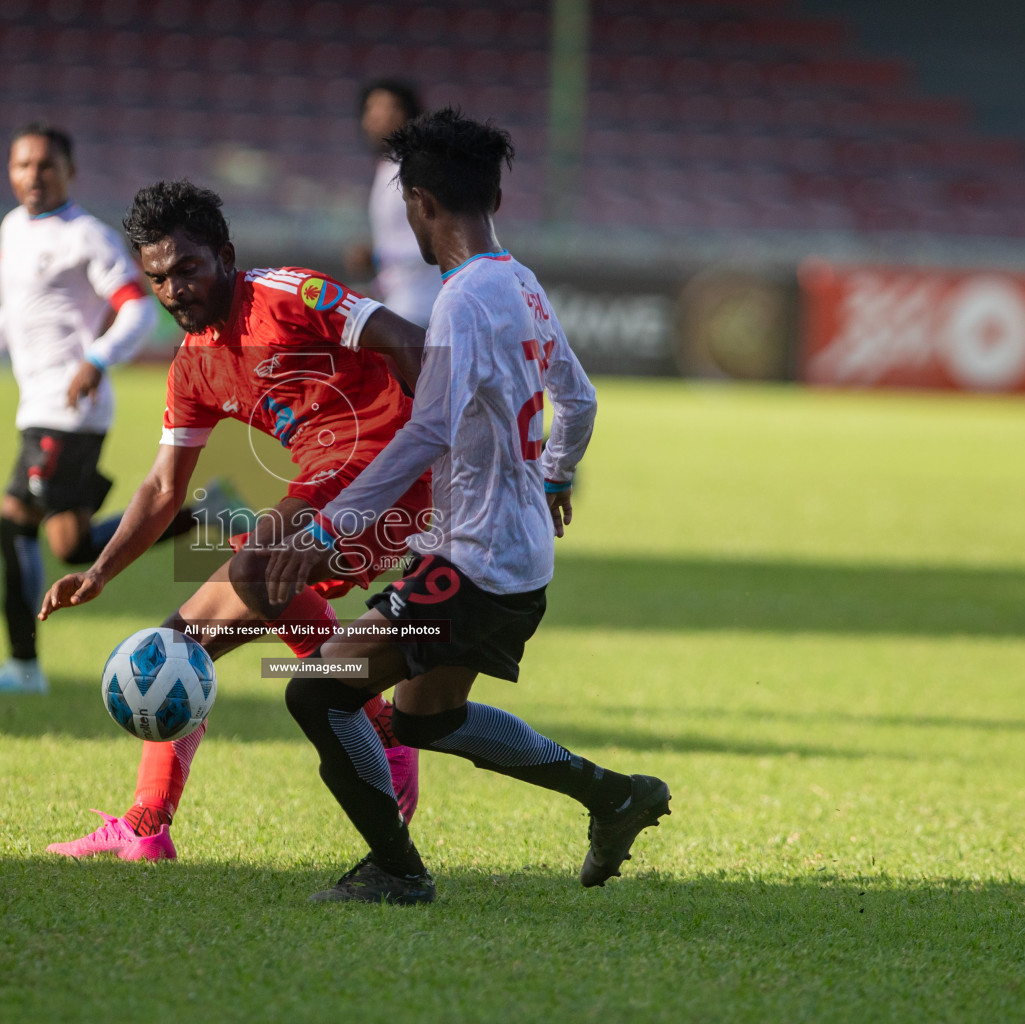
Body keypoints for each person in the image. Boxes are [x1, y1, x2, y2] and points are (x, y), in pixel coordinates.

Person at [253, 110, 672, 904]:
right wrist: (553, 477)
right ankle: (615, 796)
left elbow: (427, 432)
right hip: (514, 562)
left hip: (471, 565)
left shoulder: (462, 300)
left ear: (418, 203)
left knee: (316, 689)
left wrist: (328, 527)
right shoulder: (519, 282)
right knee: (424, 719)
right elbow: (577, 401)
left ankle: (398, 872)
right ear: (495, 195)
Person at [37, 179, 432, 862]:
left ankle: (379, 721)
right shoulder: (193, 366)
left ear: (224, 254)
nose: (173, 290)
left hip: (392, 474)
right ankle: (145, 827)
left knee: (254, 565)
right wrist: (99, 572)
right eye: (157, 277)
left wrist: (461, 453)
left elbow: (409, 341)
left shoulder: (288, 295)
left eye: (187, 269)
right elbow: (164, 487)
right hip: (322, 489)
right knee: (171, 651)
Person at [0, 123, 190, 694]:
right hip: (39, 406)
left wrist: (97, 357)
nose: (32, 176)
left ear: (70, 172)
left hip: (69, 408)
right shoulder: (14, 227)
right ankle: (204, 511)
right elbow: (18, 315)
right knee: (71, 543)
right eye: (21, 165)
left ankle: (22, 667)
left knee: (13, 524)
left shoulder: (86, 237)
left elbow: (137, 309)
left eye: (44, 165)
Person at [346, 79, 442, 327]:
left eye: (390, 108)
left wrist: (376, 257)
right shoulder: (387, 167)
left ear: (410, 115)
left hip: (422, 308)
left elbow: (441, 241)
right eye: (371, 109)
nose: (378, 117)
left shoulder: (418, 170)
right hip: (399, 304)